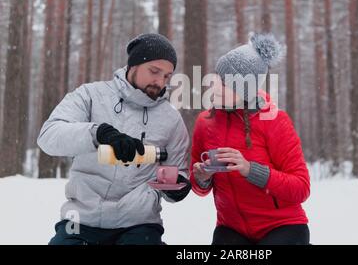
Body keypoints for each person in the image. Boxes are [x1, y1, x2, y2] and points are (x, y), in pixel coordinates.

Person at [38, 33, 191, 245]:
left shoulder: (171, 119)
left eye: (167, 76)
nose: (160, 81)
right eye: (154, 71)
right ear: (133, 66)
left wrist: (178, 186)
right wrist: (96, 133)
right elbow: (48, 137)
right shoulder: (91, 95)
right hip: (81, 219)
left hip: (139, 223)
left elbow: (177, 171)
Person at [190, 33, 311, 245]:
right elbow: (199, 188)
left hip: (282, 226)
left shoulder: (275, 121)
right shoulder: (205, 122)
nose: (216, 87)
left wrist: (249, 169)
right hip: (231, 228)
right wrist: (202, 177)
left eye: (227, 84)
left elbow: (301, 188)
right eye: (218, 77)